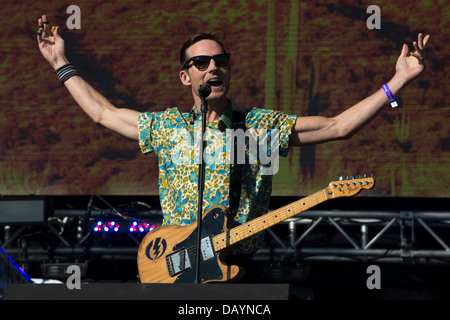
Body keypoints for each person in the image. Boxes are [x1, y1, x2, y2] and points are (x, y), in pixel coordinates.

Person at [36, 14, 430, 280]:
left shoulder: (259, 127)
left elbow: (338, 126)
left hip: (236, 267)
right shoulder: (167, 126)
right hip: (172, 265)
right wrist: (60, 63)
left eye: (220, 60)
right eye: (202, 62)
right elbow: (103, 114)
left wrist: (397, 83)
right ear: (185, 76)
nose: (213, 68)